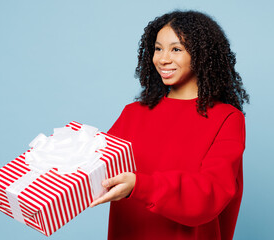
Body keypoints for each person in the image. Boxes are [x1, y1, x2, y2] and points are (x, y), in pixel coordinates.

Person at [90, 10, 249, 240]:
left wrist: (139, 185)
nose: (163, 59)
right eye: (158, 48)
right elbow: (95, 169)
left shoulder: (227, 118)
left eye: (176, 49)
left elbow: (211, 193)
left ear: (202, 54)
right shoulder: (133, 113)